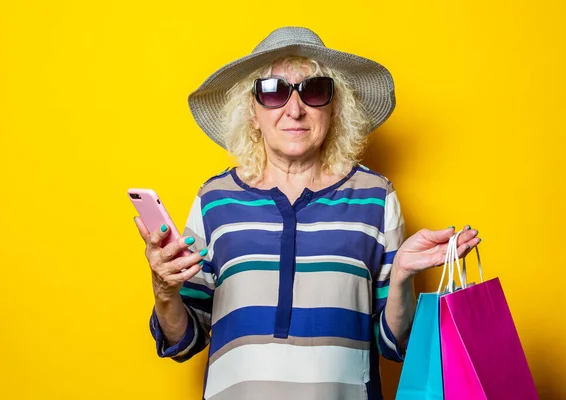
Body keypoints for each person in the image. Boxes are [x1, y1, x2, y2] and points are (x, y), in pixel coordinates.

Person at [133, 27, 481, 400]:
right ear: (251, 112)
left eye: (314, 91)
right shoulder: (214, 199)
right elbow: (184, 341)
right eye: (273, 92)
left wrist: (401, 277)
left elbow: (394, 345)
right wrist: (164, 290)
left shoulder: (376, 197)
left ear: (334, 108)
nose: (294, 109)